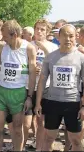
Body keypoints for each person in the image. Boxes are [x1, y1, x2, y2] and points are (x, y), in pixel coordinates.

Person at [34, 24, 84, 152]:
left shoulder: (82, 58)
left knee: (75, 140)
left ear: (76, 37)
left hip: (73, 104)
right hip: (53, 102)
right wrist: (37, 103)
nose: (68, 39)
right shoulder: (50, 57)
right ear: (59, 37)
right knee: (48, 139)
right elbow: (42, 81)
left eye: (71, 36)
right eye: (65, 36)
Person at [0, 19, 37, 152]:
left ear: (14, 35)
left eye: (5, 36)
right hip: (1, 91)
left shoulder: (29, 48)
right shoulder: (1, 47)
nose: (2, 39)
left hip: (18, 92)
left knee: (17, 129)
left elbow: (32, 74)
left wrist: (29, 96)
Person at [25, 19, 58, 151]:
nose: (39, 31)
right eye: (37, 28)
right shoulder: (27, 45)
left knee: (41, 122)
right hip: (29, 86)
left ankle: (39, 148)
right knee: (25, 123)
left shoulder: (53, 47)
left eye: (42, 29)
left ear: (47, 32)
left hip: (46, 87)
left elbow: (55, 65)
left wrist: (43, 48)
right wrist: (31, 68)